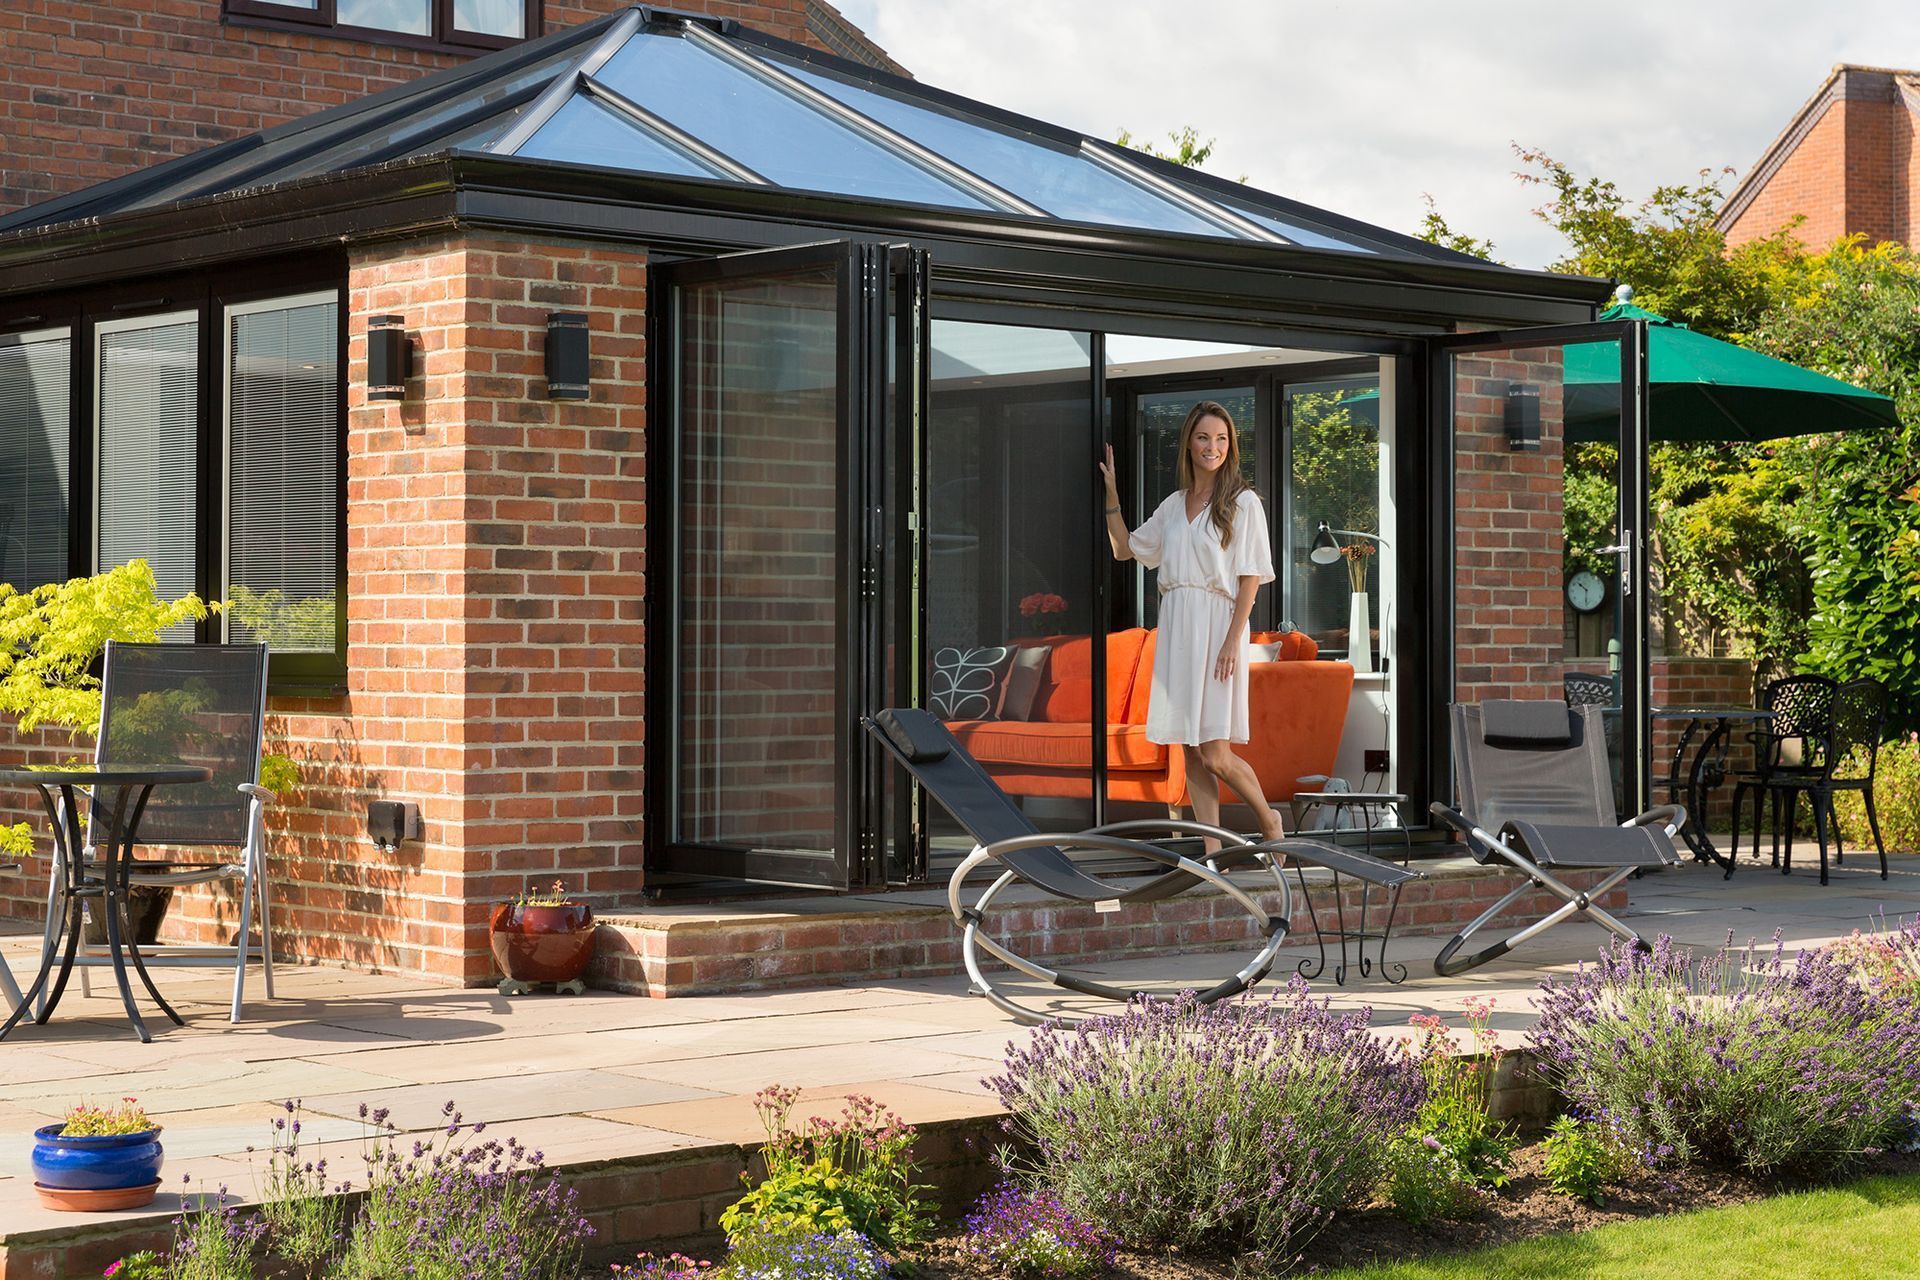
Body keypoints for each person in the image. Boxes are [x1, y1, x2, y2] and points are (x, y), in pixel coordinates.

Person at [1098, 400, 1284, 844]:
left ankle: (1269, 820)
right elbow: (1125, 549)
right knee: (1190, 750)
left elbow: (1250, 579)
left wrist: (1230, 643)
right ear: (1189, 443)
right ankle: (1212, 850)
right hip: (1178, 626)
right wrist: (1111, 494)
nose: (1212, 446)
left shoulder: (1243, 503)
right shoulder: (1173, 505)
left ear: (1230, 446)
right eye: (1204, 437)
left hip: (1218, 629)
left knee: (1216, 752)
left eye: (1221, 439)